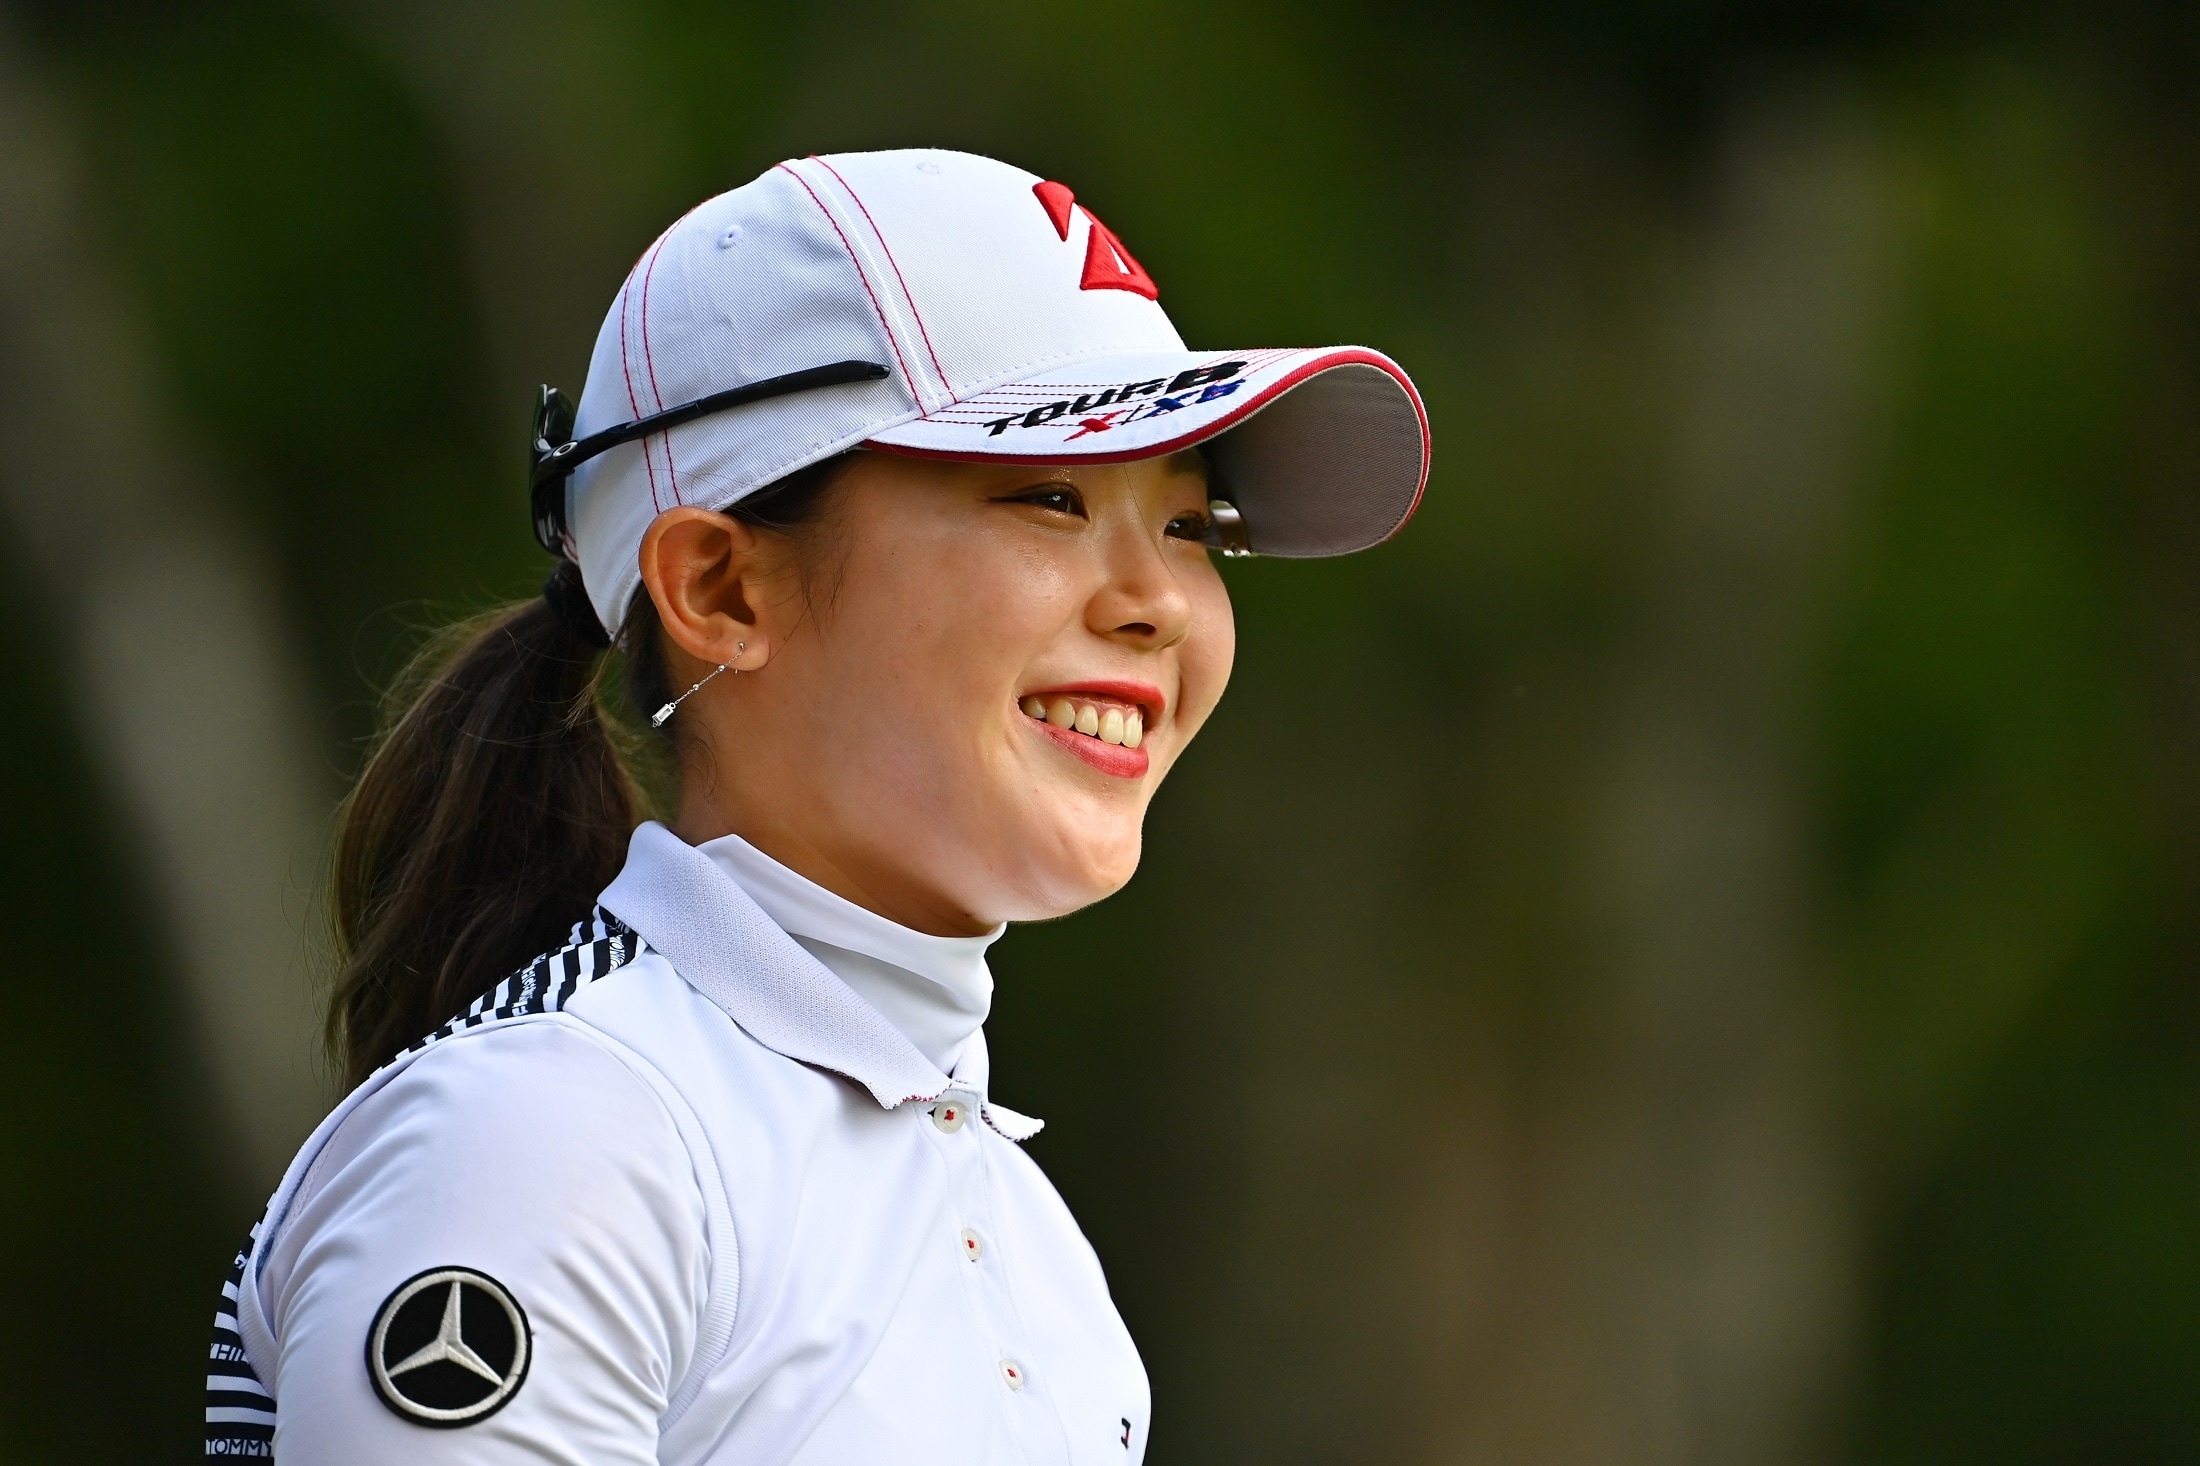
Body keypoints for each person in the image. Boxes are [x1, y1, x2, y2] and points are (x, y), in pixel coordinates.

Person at [203, 148, 1427, 1464]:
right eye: (1054, 496)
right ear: (721, 589)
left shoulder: (1037, 1250)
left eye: (1191, 525)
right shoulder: (552, 1135)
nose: (1159, 602)